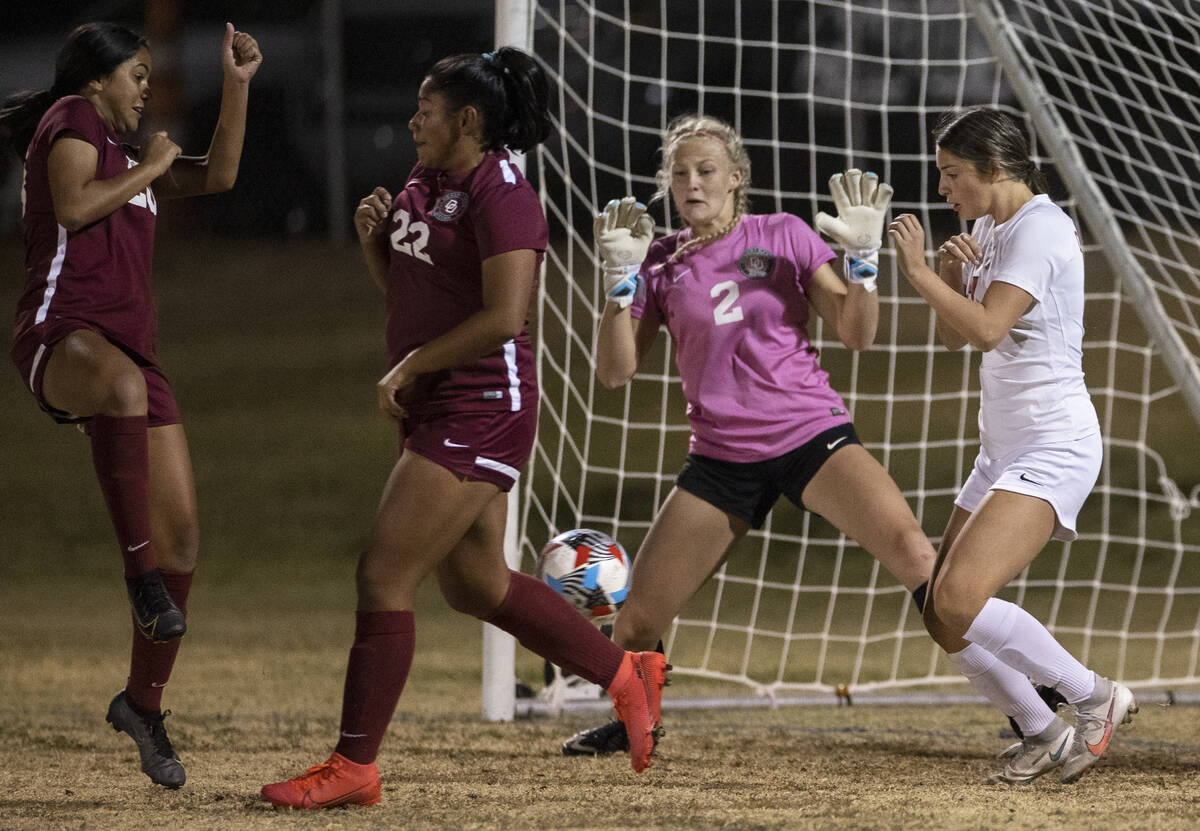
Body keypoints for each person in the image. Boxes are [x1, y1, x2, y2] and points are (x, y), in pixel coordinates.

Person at [562, 113, 1060, 770]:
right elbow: (616, 372)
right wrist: (617, 290)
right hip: (720, 457)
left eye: (706, 170)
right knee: (633, 625)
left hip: (811, 434)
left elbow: (857, 333)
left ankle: (1031, 702)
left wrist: (863, 268)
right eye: (678, 173)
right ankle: (636, 725)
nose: (691, 183)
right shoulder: (655, 263)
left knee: (917, 557)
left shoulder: (783, 234)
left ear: (736, 177)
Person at [258, 47, 668, 811]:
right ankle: (623, 674)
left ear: (469, 120)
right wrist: (375, 243)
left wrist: (409, 366)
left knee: (383, 574)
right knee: (477, 583)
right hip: (437, 400)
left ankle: (353, 766)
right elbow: (413, 287)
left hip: (484, 403)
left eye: (427, 108)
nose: (413, 119)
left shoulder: (502, 191)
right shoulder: (425, 181)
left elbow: (505, 317)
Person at [1, 22, 261, 789]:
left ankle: (142, 704)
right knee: (117, 393)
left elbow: (217, 175)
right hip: (60, 337)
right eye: (138, 74)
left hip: (132, 357)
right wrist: (149, 166)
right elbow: (77, 208)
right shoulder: (71, 121)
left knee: (183, 536)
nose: (147, 87)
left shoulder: (128, 153)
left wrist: (237, 84)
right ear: (95, 80)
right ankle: (138, 581)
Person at [888, 105, 1137, 784]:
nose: (943, 188)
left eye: (952, 173)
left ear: (995, 169)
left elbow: (991, 329)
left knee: (963, 598)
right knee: (942, 614)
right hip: (1003, 451)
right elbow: (955, 338)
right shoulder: (989, 228)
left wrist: (918, 275)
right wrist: (950, 275)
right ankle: (1042, 729)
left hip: (1054, 444)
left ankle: (1094, 697)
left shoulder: (1043, 229)